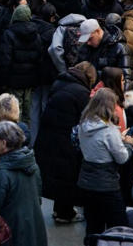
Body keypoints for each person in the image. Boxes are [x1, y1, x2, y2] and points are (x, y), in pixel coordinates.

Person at [34, 61, 98, 224]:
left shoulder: (60, 82)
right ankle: (64, 212)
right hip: (65, 138)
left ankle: (61, 209)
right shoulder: (82, 93)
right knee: (67, 176)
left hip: (50, 133)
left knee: (58, 174)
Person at [77, 88, 133, 237]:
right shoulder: (109, 130)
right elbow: (122, 158)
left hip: (87, 181)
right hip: (107, 184)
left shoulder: (83, 124)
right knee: (118, 226)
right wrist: (127, 143)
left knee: (93, 226)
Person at [0, 121, 47, 246]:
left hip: (12, 232)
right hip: (35, 229)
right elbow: (38, 197)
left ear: (4, 143)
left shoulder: (2, 173)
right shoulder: (33, 165)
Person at [0, 4, 45, 125]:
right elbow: (40, 58)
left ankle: (15, 136)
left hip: (14, 80)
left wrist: (3, 82)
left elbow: (5, 60)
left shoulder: (9, 33)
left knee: (15, 111)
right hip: (30, 80)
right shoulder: (36, 34)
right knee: (28, 111)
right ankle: (26, 137)